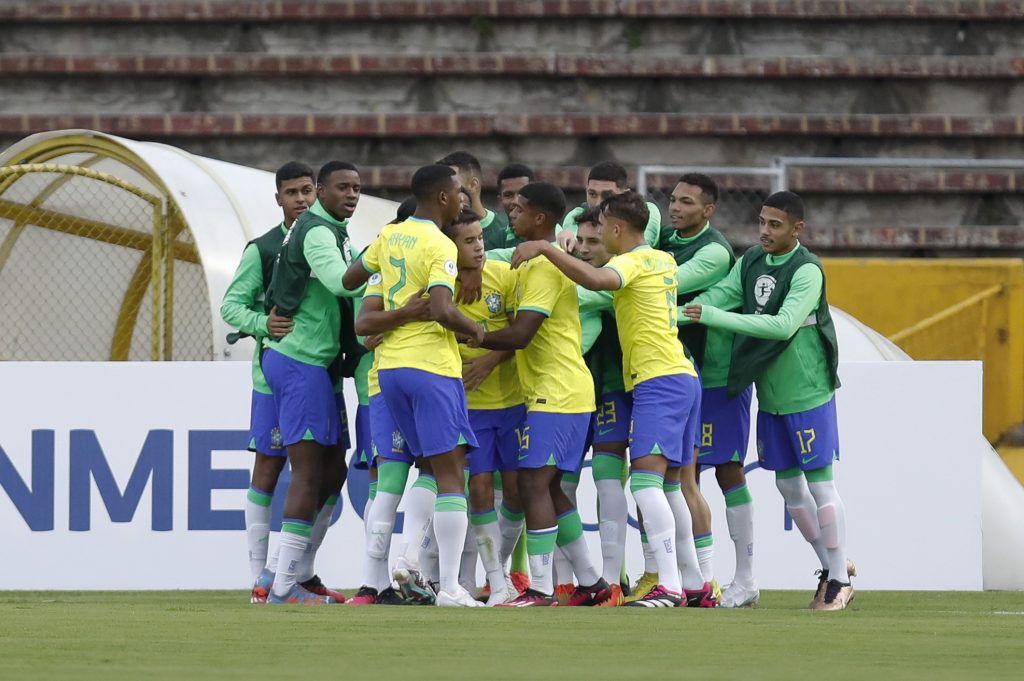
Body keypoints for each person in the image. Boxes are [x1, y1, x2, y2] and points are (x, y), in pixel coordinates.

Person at [512, 190, 711, 607]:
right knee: (671, 486)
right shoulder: (663, 259)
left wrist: (545, 249)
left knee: (644, 483)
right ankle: (694, 584)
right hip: (683, 376)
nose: (597, 236)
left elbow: (597, 280)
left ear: (618, 228)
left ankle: (669, 585)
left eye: (601, 229)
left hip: (659, 379)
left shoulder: (633, 261)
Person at [682, 190, 855, 611]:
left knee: (820, 485)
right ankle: (833, 568)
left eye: (775, 225)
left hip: (807, 390)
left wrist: (711, 316)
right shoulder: (752, 261)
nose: (764, 231)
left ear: (798, 229)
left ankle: (836, 581)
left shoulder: (808, 270)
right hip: (771, 395)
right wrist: (679, 309)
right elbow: (722, 294)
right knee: (788, 488)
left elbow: (782, 326)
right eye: (761, 222)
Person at [355, 164, 486, 608]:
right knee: (453, 477)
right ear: (444, 198)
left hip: (389, 371)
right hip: (432, 366)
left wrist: (393, 292)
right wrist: (475, 330)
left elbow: (352, 279)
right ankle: (449, 586)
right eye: (458, 193)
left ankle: (409, 558)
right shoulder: (439, 243)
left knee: (429, 469)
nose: (463, 200)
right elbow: (444, 309)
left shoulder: (388, 236)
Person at [477, 181, 607, 607]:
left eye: (520, 207)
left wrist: (467, 333)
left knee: (533, 481)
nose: (511, 211)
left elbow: (522, 332)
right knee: (549, 489)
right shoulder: (530, 261)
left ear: (541, 219)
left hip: (559, 391)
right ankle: (591, 583)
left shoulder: (547, 267)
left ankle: (542, 588)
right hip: (553, 392)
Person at [259, 161, 364, 604]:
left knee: (333, 468)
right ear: (322, 191)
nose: (353, 195)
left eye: (357, 188)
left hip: (316, 365)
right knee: (306, 473)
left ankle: (300, 572)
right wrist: (382, 261)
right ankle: (282, 584)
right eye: (343, 187)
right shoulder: (318, 232)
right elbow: (342, 282)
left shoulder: (329, 230)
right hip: (298, 361)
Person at [659, 173, 756, 607]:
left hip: (715, 376)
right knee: (683, 476)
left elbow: (663, 284)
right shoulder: (664, 239)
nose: (675, 207)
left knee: (727, 471)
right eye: (673, 200)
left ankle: (740, 579)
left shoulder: (713, 250)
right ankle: (691, 580)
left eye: (686, 202)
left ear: (708, 211)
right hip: (678, 374)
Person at [220, 161, 314, 602]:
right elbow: (231, 307)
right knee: (270, 468)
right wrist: (263, 323)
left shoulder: (331, 241)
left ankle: (291, 572)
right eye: (291, 192)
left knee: (317, 469)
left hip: (318, 374)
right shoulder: (262, 248)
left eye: (306, 190)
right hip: (272, 378)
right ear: (278, 198)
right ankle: (259, 577)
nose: (300, 199)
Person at [441, 208, 525, 606]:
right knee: (476, 487)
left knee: (516, 493)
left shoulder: (503, 275)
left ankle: (500, 570)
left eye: (480, 238)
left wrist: (492, 358)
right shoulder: (439, 281)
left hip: (511, 399)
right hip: (468, 405)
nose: (479, 246)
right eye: (469, 241)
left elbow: (521, 333)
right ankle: (490, 578)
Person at [573, 208, 631, 607]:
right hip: (568, 389)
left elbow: (589, 293)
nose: (586, 248)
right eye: (582, 241)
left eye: (595, 241)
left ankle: (612, 578)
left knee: (611, 475)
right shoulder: (575, 269)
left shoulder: (622, 275)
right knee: (555, 480)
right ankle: (564, 580)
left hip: (613, 383)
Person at [557, 161, 662, 251]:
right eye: (592, 194)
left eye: (607, 195)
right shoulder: (575, 215)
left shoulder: (646, 211)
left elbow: (634, 249)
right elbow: (576, 250)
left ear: (625, 194)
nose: (598, 203)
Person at [437, 151, 510, 247]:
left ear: (473, 185)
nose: (444, 194)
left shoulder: (506, 228)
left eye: (452, 185)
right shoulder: (438, 231)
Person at [486, 163, 534, 249]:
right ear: (500, 200)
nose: (516, 201)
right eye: (508, 195)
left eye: (522, 193)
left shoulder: (555, 234)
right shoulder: (495, 242)